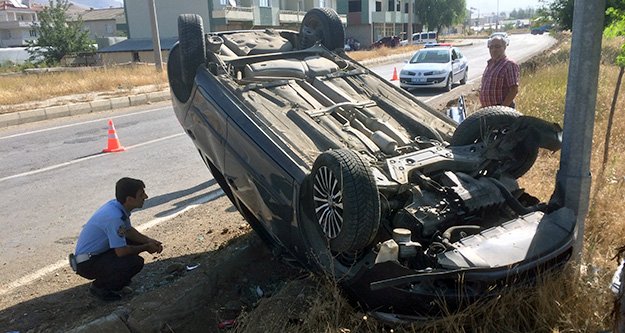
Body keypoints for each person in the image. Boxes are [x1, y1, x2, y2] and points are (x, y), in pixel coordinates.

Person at [71, 177, 163, 301]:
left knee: (135, 242)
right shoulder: (114, 217)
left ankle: (115, 280)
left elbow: (128, 231)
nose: (145, 197)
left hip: (95, 255)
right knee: (134, 263)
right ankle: (101, 287)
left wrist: (149, 241)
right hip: (88, 263)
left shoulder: (117, 207)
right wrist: (146, 247)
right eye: (141, 194)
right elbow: (122, 252)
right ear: (129, 199)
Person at [479, 35, 520, 108]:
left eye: (497, 47)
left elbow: (514, 90)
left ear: (504, 47)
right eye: (491, 47)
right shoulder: (490, 64)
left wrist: (502, 109)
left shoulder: (509, 65)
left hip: (501, 113)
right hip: (488, 111)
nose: (494, 50)